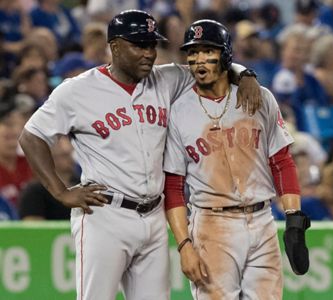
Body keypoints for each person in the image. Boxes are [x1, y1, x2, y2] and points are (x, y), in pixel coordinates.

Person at [18, 10, 262, 300]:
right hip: (105, 215)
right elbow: (31, 136)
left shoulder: (166, 79)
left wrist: (245, 74)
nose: (149, 53)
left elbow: (209, 65)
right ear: (116, 45)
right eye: (139, 45)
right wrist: (60, 191)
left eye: (152, 45)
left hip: (154, 217)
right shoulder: (78, 90)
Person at [163, 19, 310, 299]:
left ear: (226, 54)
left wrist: (293, 218)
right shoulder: (179, 111)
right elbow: (173, 186)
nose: (198, 59)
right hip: (211, 224)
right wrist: (184, 245)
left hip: (262, 219)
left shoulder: (258, 98)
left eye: (208, 51)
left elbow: (281, 161)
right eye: (192, 52)